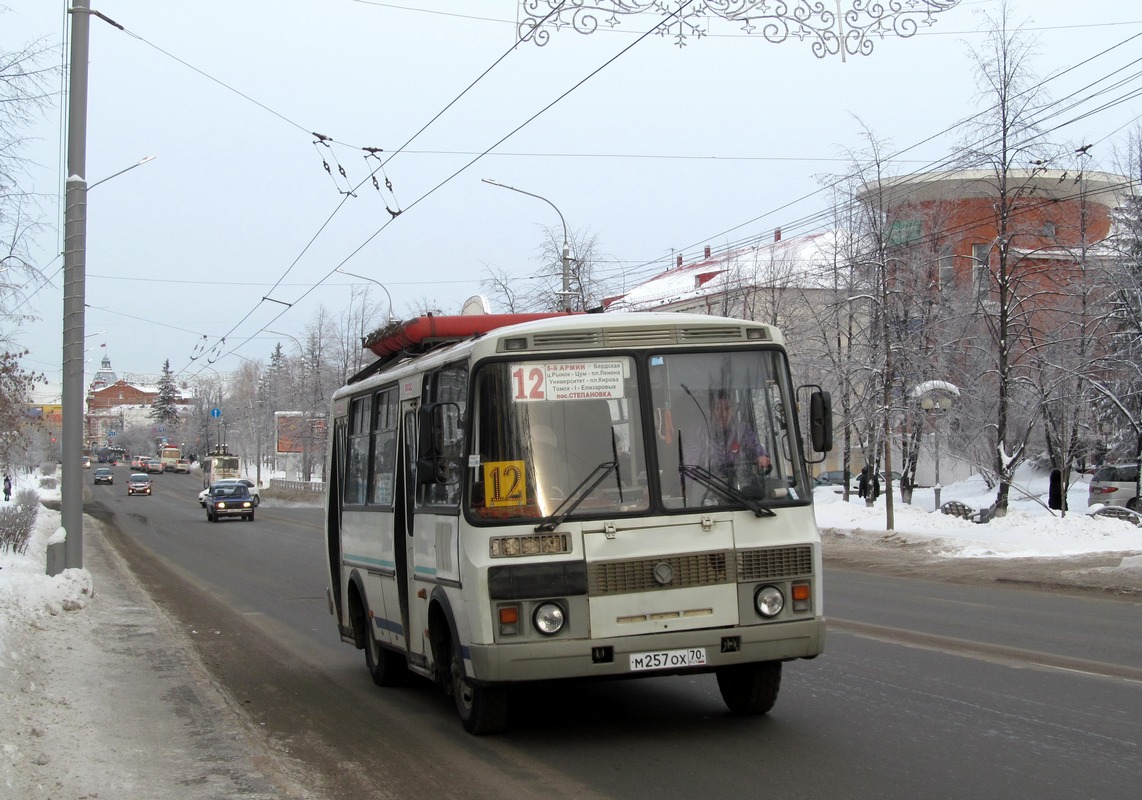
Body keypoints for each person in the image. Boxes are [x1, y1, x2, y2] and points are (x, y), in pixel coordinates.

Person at [690, 389, 771, 479]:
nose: (723, 414)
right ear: (710, 412)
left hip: (739, 487)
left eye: (727, 408)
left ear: (732, 410)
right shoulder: (698, 434)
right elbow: (689, 462)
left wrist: (761, 456)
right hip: (709, 487)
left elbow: (753, 446)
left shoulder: (742, 431)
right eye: (718, 409)